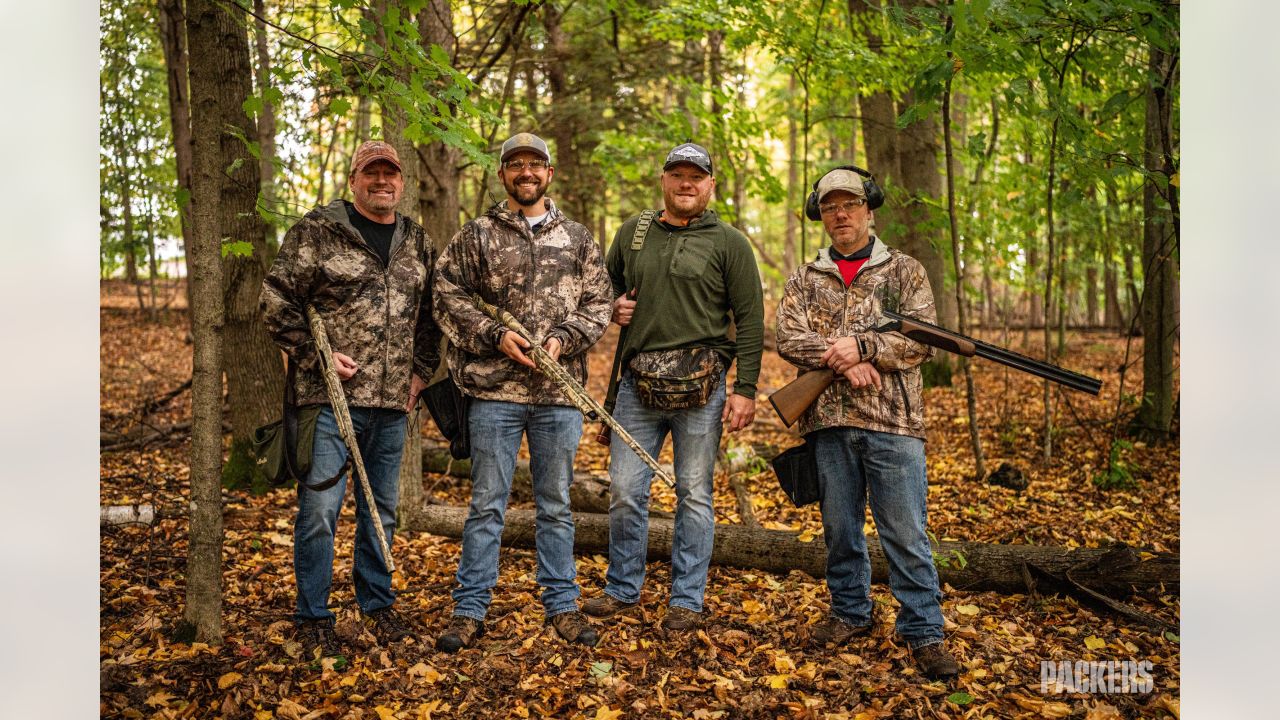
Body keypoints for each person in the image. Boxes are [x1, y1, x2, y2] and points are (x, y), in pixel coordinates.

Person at [774, 166, 960, 679]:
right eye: (831, 206)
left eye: (850, 204)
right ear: (822, 216)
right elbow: (787, 337)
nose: (840, 214)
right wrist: (844, 356)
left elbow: (925, 338)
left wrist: (867, 347)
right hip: (828, 423)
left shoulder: (905, 271)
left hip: (894, 423)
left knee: (905, 533)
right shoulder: (805, 278)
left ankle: (923, 631)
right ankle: (850, 614)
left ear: (868, 209)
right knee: (840, 531)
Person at [260, 140, 442, 659]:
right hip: (326, 401)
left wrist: (421, 375)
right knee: (319, 509)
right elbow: (275, 302)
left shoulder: (416, 241)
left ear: (401, 182)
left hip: (392, 405)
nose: (381, 181)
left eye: (390, 174)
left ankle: (377, 605)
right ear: (354, 179)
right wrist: (319, 359)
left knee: (381, 511)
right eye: (371, 173)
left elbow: (433, 317)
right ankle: (313, 615)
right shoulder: (317, 232)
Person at [432, 132, 613, 652]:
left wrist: (562, 338)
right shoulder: (477, 236)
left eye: (536, 164)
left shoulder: (578, 239)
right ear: (503, 173)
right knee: (487, 504)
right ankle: (469, 610)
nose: (526, 173)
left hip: (559, 399)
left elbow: (598, 304)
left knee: (555, 503)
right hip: (494, 395)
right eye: (516, 165)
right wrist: (494, 335)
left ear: (550, 174)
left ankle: (562, 606)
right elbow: (446, 294)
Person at [582, 142, 765, 632]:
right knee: (624, 491)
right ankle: (623, 589)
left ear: (710, 185)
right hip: (636, 388)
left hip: (702, 392)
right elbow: (597, 293)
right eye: (677, 174)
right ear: (663, 180)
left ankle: (686, 599)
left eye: (696, 176)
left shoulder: (730, 243)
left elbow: (750, 320)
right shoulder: (633, 233)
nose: (686, 183)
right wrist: (611, 308)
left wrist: (745, 388)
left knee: (695, 494)